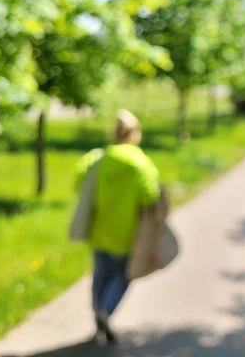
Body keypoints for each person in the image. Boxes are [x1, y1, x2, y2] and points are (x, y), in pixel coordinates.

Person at [75, 109, 159, 345]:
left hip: (98, 229)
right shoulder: (140, 163)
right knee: (123, 274)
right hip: (126, 232)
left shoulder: (96, 159)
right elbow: (150, 197)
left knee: (100, 274)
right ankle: (106, 310)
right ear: (135, 134)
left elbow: (79, 185)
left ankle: (96, 313)